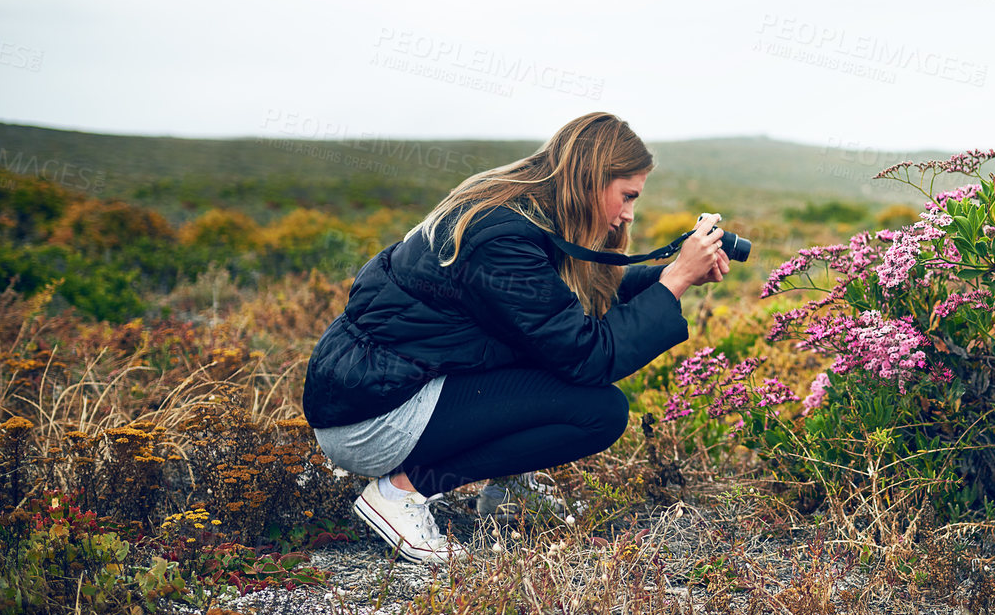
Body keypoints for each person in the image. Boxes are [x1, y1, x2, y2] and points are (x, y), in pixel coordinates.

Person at [301, 112, 730, 563]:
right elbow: (590, 356)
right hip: (374, 419)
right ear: (590, 179)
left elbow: (555, 313)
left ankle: (510, 489)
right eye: (626, 196)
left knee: (553, 364)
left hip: (383, 391)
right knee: (598, 411)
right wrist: (676, 279)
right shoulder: (502, 239)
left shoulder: (522, 214)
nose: (628, 214)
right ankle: (400, 493)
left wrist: (668, 275)